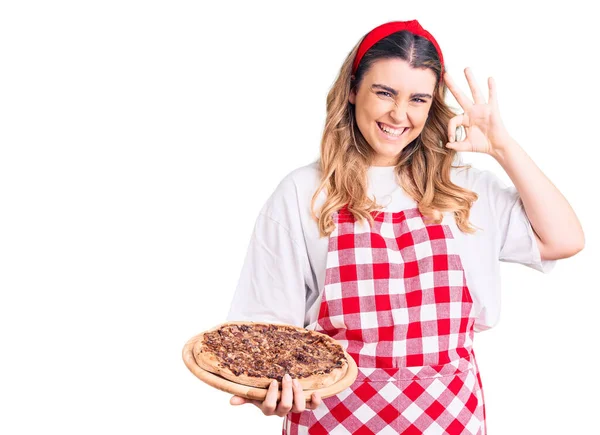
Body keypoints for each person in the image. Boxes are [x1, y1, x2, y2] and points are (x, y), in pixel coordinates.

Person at [225, 19, 584, 434]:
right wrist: (269, 391)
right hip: (334, 419)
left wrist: (502, 146)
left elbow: (564, 239)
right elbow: (266, 332)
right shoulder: (304, 192)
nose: (400, 114)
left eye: (418, 98)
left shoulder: (463, 187)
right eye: (384, 93)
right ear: (353, 89)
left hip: (448, 419)